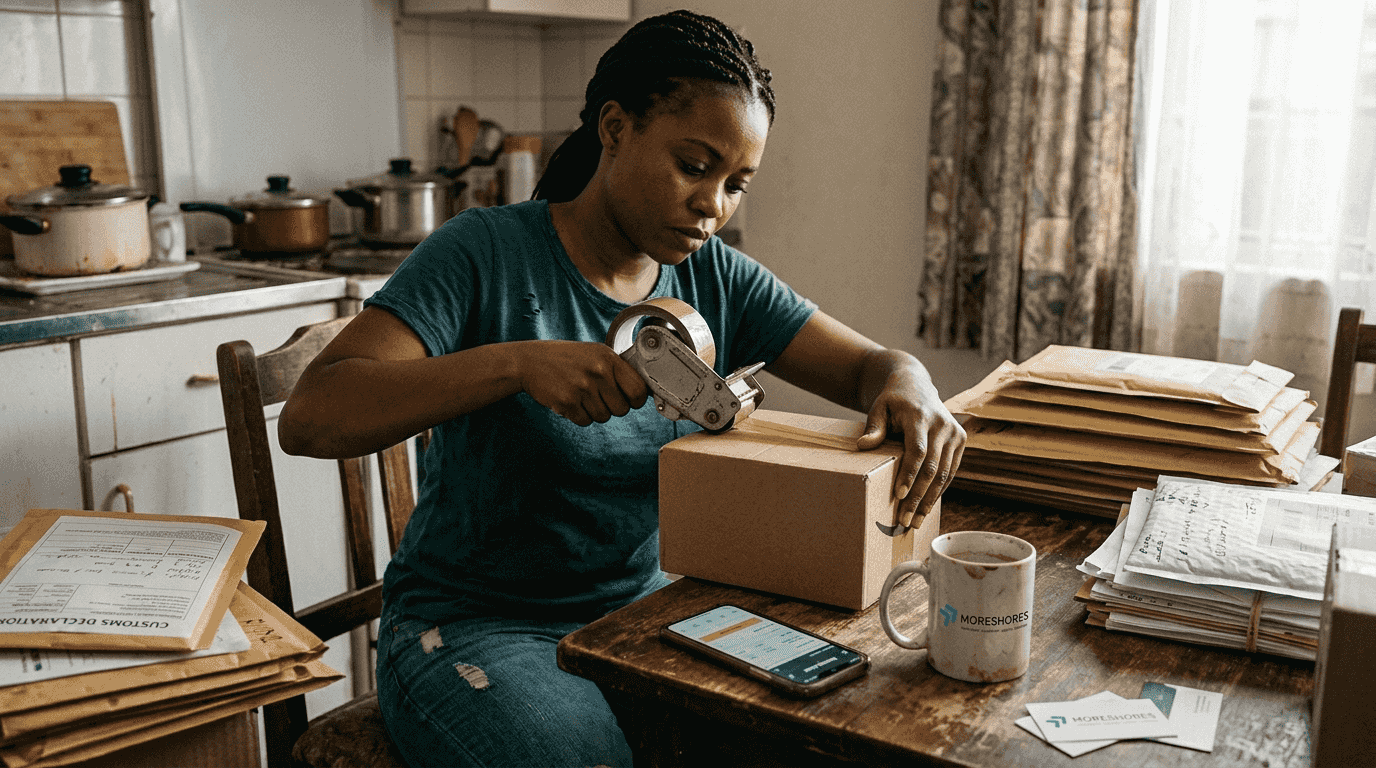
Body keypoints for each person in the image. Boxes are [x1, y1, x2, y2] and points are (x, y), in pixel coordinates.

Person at [278, 9, 965, 767]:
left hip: (650, 615)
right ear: (615, 128)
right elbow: (312, 416)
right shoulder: (484, 254)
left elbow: (873, 367)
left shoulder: (714, 277)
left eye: (737, 184)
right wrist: (515, 364)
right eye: (694, 166)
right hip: (476, 628)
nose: (713, 205)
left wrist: (913, 384)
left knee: (835, 733)